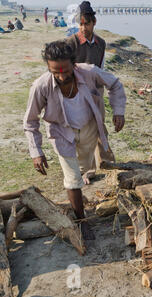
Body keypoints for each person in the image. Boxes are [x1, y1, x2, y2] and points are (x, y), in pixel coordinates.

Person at [23, 41, 126, 240]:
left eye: (66, 71)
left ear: (74, 64)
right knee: (72, 179)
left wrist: (118, 111)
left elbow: (115, 84)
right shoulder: (40, 86)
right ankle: (81, 221)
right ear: (48, 67)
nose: (61, 76)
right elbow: (30, 122)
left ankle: (80, 189)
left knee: (86, 169)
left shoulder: (89, 72)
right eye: (56, 72)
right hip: (61, 133)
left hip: (88, 128)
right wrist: (36, 152)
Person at [66, 1, 114, 182]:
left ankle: (107, 162)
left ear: (94, 22)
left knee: (100, 127)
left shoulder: (101, 43)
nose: (83, 27)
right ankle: (86, 170)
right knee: (83, 131)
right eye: (80, 24)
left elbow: (100, 69)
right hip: (77, 94)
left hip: (95, 92)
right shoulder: (71, 43)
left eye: (86, 23)